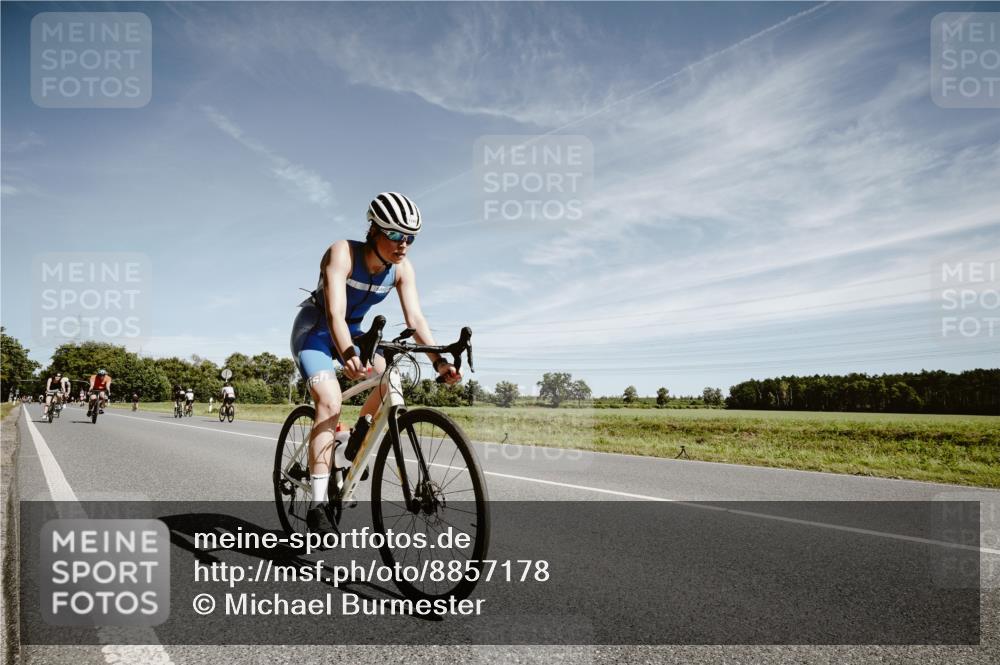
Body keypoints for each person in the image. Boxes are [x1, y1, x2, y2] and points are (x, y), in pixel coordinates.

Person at [289, 192, 461, 534]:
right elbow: (335, 313)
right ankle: (319, 505)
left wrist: (440, 362)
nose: (403, 244)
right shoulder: (342, 252)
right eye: (395, 234)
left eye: (410, 237)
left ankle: (352, 442)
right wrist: (349, 355)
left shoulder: (401, 269)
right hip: (315, 332)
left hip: (355, 334)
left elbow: (416, 319)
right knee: (330, 401)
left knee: (389, 379)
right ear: (373, 231)